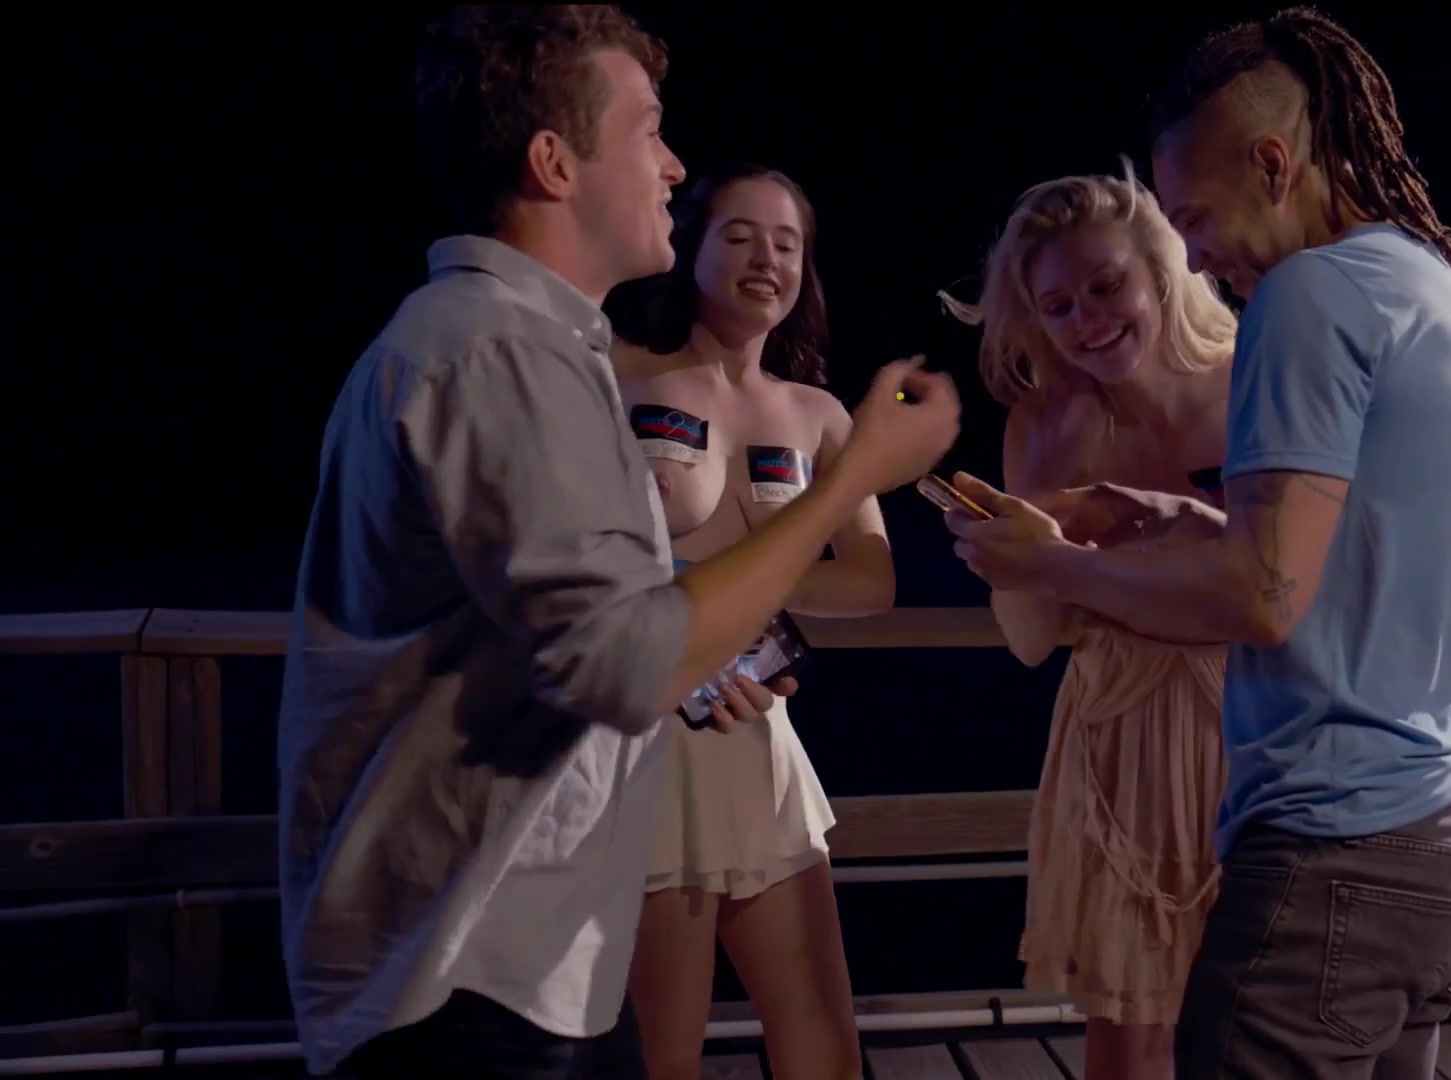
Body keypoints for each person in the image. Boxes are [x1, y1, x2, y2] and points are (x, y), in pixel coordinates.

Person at [276, 7, 959, 1079]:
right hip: (465, 976)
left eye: (788, 241)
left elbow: (591, 618)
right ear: (554, 163)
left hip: (529, 945)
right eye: (649, 129)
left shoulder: (541, 354)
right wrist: (854, 478)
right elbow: (626, 655)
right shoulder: (500, 359)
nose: (674, 164)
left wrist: (709, 653)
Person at [942, 7, 1451, 1078]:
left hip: (1335, 847)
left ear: (1271, 164)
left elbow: (1262, 599)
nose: (1199, 255)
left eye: (1195, 221)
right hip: (1448, 832)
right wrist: (1188, 521)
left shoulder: (1307, 293)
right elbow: (1358, 562)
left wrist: (1049, 564)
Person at [937, 168, 1236, 1079]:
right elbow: (1031, 642)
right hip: (1120, 738)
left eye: (1107, 286)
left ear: (1162, 270)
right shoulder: (1043, 425)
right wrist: (1005, 556)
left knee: (1259, 1020)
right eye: (1058, 306)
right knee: (1128, 1032)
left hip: (1261, 721)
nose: (1088, 321)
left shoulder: (1255, 376)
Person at [601, 163, 883, 1080]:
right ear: (689, 246)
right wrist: (698, 598)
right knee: (663, 1058)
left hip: (759, 734)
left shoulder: (818, 414)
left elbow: (871, 578)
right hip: (647, 742)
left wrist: (746, 596)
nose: (767, 259)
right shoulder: (616, 372)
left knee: (824, 1050)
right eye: (740, 236)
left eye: (787, 244)